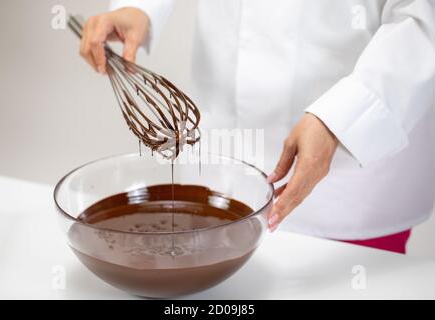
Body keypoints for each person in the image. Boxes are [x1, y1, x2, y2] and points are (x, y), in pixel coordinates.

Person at [80, 0, 435, 254]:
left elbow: (422, 22)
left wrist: (344, 117)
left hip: (350, 177)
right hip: (222, 151)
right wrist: (140, 6)